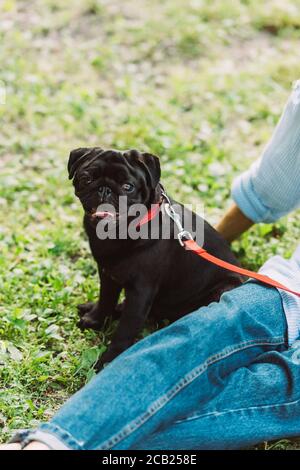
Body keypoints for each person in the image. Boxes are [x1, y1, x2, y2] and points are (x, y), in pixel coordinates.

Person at [1, 81, 300, 451]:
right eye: (90, 181)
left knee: (170, 327)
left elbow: (140, 289)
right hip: (208, 295)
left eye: (123, 188)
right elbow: (108, 267)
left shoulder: (156, 236)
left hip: (210, 293)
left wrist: (117, 346)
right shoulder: (105, 218)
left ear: (148, 185)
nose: (104, 193)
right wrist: (102, 309)